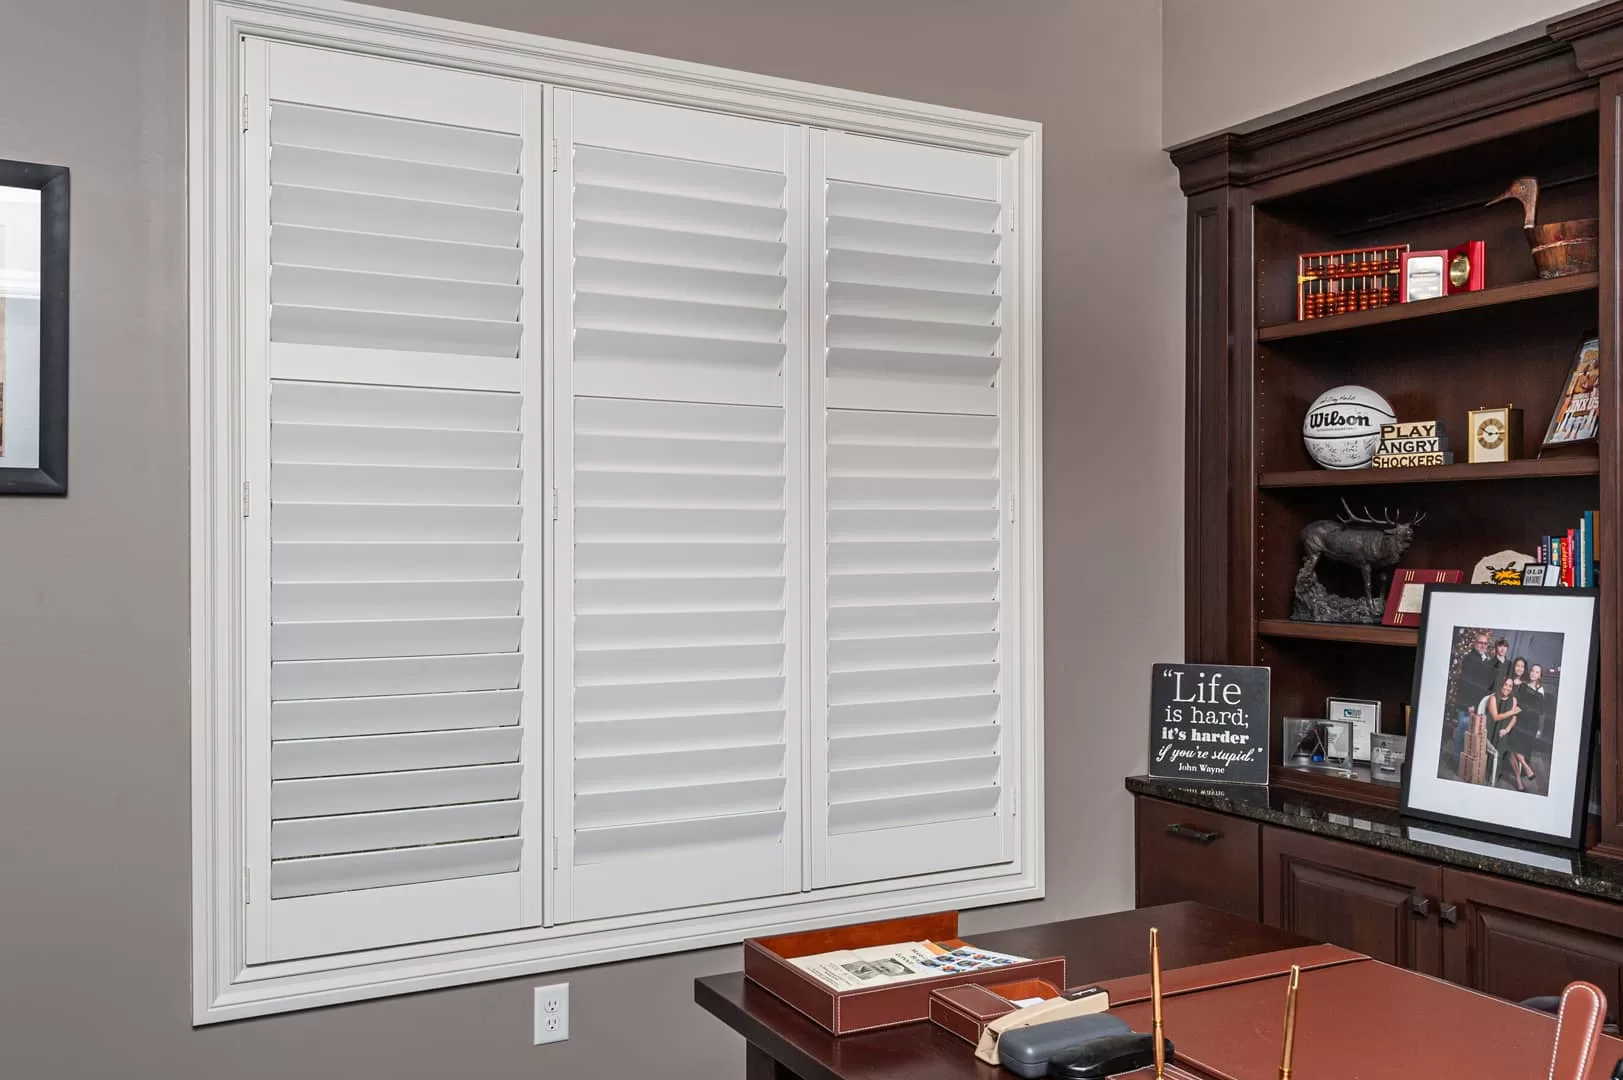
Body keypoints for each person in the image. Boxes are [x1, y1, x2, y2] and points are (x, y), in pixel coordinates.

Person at [1454, 631, 1500, 754]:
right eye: (1480, 643)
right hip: (1467, 704)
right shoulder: (1470, 659)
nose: (1483, 645)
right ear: (1475, 644)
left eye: (1485, 644)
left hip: (1474, 704)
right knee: (1462, 733)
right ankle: (1456, 761)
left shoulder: (1481, 659)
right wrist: (1470, 704)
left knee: (1467, 733)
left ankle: (1462, 762)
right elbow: (1466, 683)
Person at [1488, 676, 1530, 791]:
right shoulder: (1493, 698)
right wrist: (1512, 712)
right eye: (1505, 684)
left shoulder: (1513, 700)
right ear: (1501, 685)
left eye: (1510, 686)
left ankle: (1518, 778)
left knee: (1513, 745)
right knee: (1511, 747)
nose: (1507, 688)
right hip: (1493, 731)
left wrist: (1506, 729)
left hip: (1505, 730)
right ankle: (1524, 769)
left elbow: (1514, 719)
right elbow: (1496, 717)